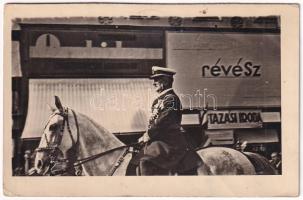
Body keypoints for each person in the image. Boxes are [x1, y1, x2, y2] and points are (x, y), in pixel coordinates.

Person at [136, 66, 202, 175]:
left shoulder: (171, 99)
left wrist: (148, 135)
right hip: (160, 140)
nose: (154, 83)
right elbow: (154, 121)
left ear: (165, 81)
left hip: (170, 142)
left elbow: (163, 122)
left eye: (157, 80)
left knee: (145, 161)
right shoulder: (160, 99)